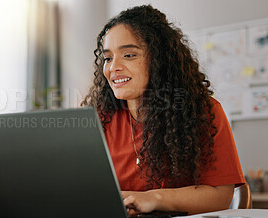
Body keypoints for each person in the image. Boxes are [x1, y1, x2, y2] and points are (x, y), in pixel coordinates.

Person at [81, 5, 245, 216]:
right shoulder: (99, 117)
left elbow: (220, 196)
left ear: (160, 60)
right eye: (108, 58)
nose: (113, 68)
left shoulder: (203, 112)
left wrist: (154, 198)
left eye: (129, 55)